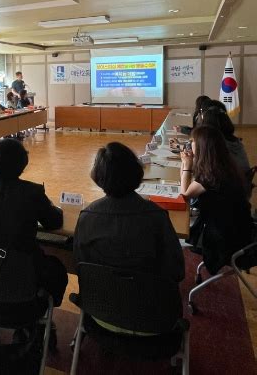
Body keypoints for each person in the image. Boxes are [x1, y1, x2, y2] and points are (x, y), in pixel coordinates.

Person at [74, 142, 184, 334]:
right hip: (152, 319)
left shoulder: (87, 216)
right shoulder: (156, 216)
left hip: (100, 315)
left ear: (98, 177)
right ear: (136, 173)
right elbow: (176, 271)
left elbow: (79, 263)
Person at [0, 138, 68, 307]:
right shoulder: (32, 191)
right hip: (24, 269)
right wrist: (50, 205)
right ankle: (43, 308)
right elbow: (54, 222)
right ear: (21, 163)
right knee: (58, 268)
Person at [180, 125, 253, 275]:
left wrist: (187, 164)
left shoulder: (210, 176)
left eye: (193, 141)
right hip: (240, 228)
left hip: (224, 239)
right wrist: (186, 163)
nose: (190, 143)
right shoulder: (223, 166)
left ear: (202, 147)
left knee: (175, 231)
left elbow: (185, 193)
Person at [201, 106, 250, 176]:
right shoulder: (235, 140)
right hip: (243, 180)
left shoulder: (217, 144)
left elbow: (208, 170)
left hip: (233, 182)